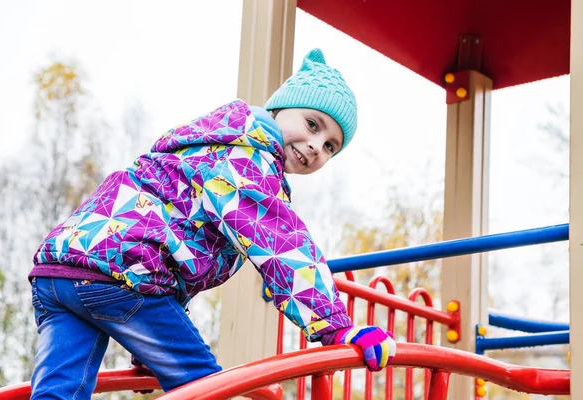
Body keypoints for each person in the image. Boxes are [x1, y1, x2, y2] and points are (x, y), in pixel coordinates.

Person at [28, 48, 396, 399]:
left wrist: (147, 351)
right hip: (119, 277)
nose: (317, 145)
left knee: (58, 392)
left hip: (60, 271)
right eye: (313, 124)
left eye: (331, 146)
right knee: (205, 386)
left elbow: (160, 239)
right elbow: (280, 245)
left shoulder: (207, 146)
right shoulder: (246, 160)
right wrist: (337, 326)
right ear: (280, 109)